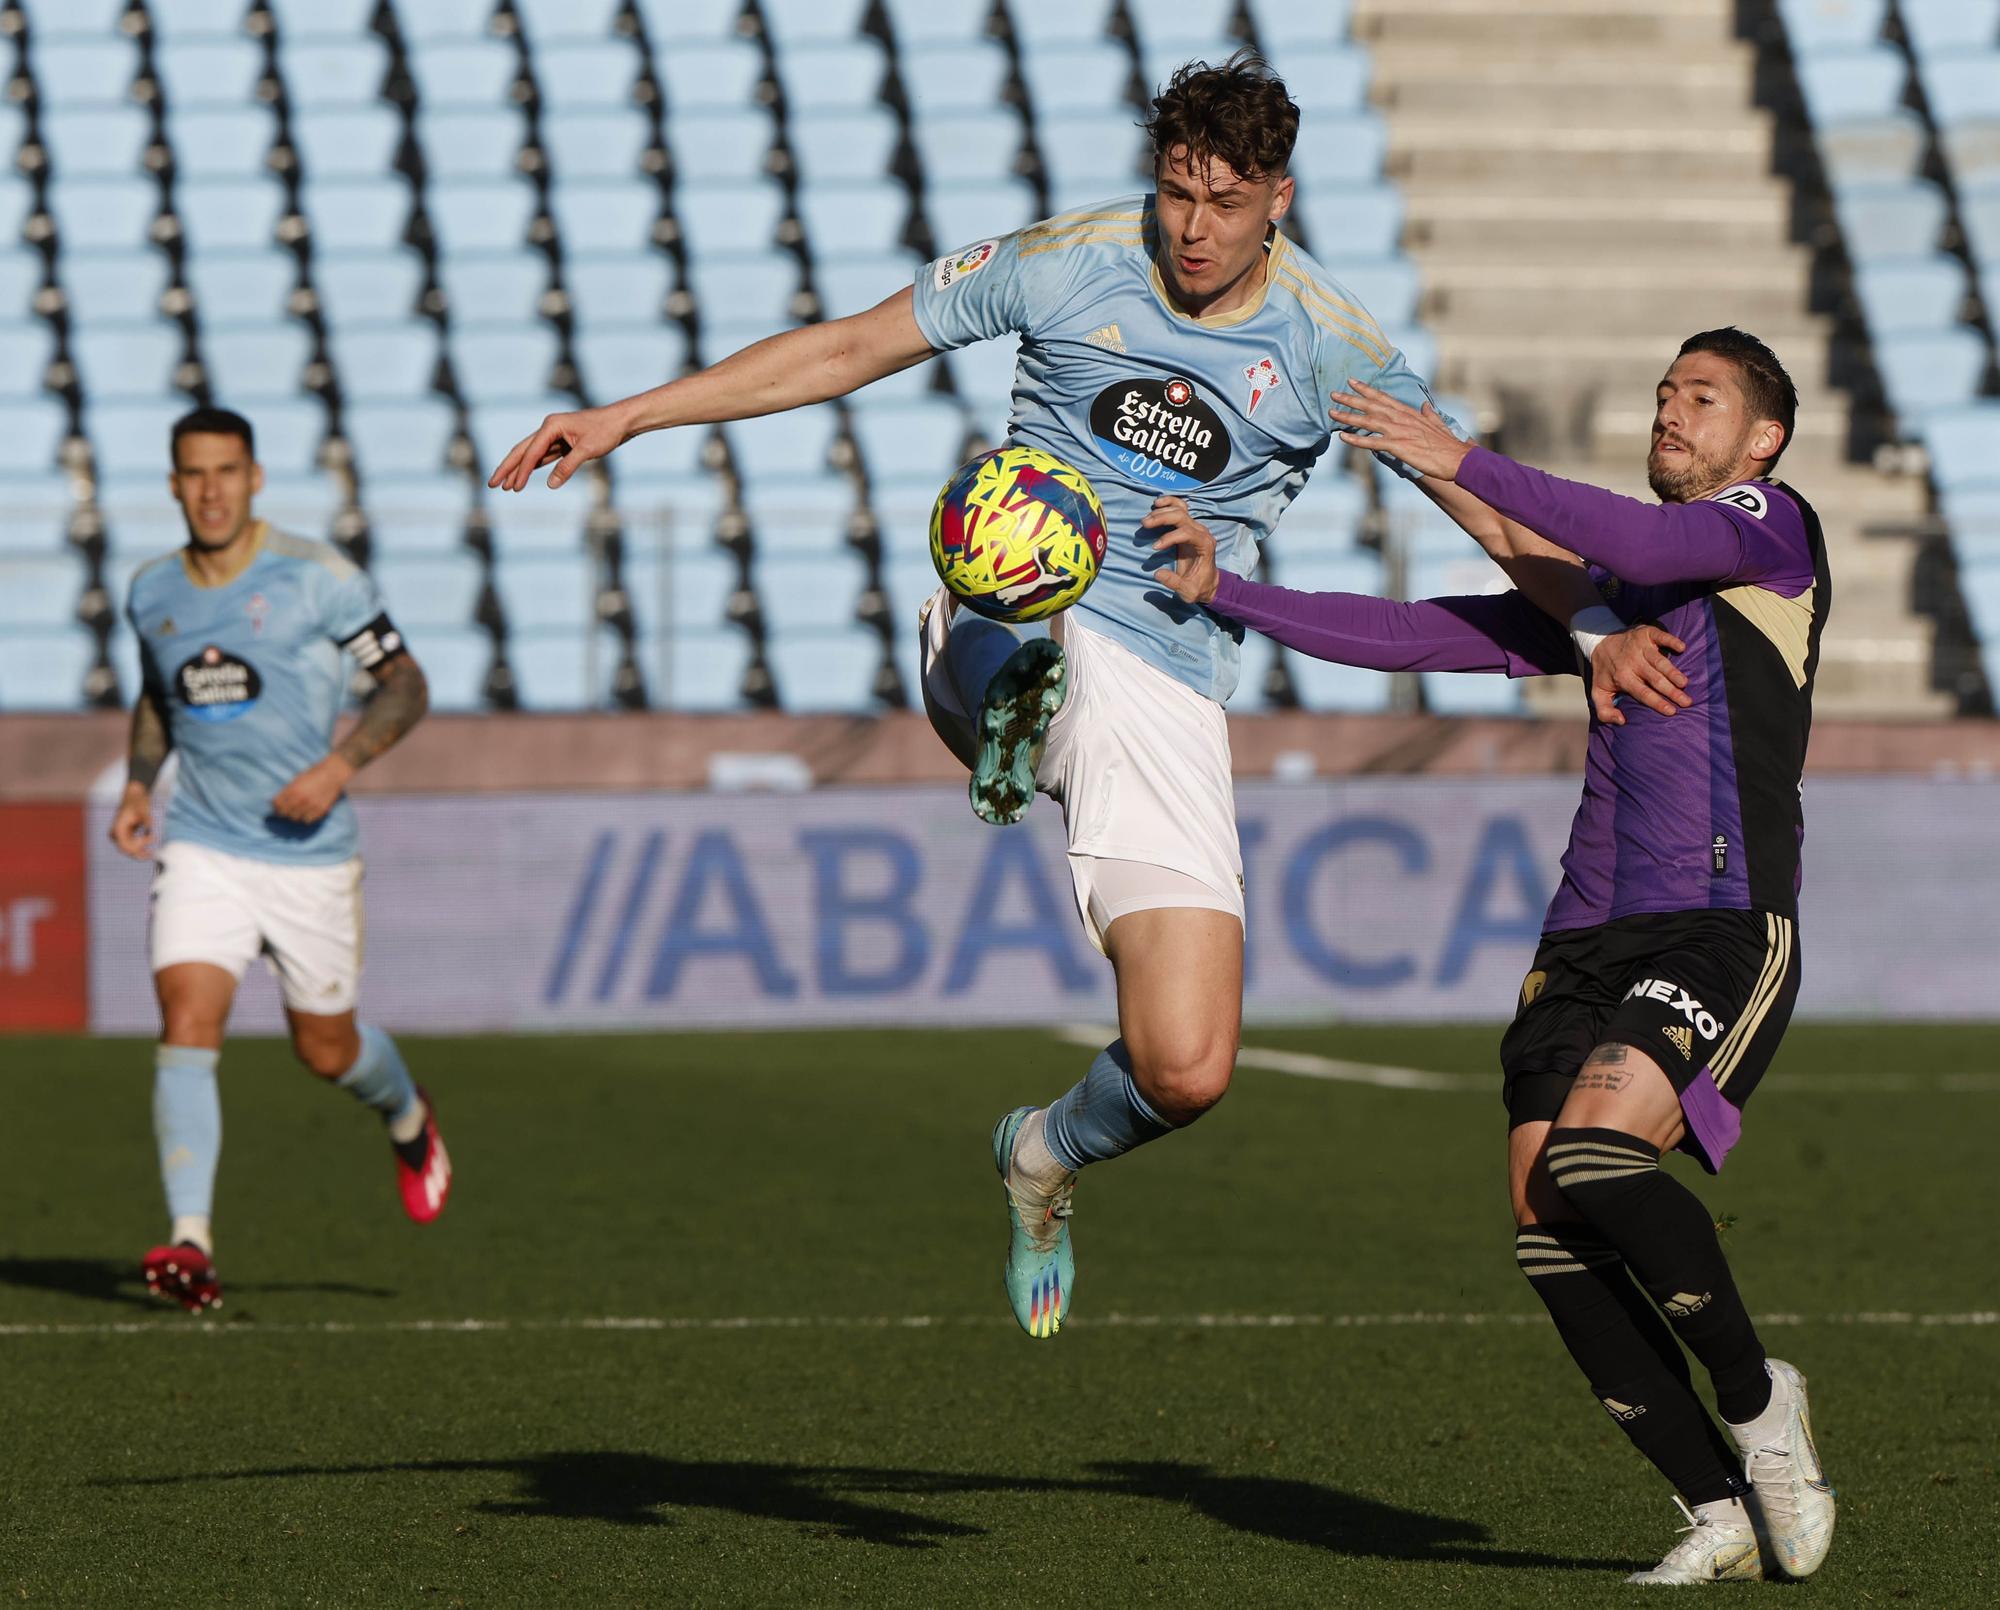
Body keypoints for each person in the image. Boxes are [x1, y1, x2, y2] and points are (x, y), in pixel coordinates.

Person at [487, 55, 1669, 1340]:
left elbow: (1476, 500)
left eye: (1222, 201)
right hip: (1013, 590)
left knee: (1187, 1064)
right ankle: (1008, 687)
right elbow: (846, 346)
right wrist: (631, 416)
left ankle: (1041, 1151)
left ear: (1278, 195)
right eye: (1173, 193)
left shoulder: (1331, 345)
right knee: (1017, 553)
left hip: (1162, 670)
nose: (1192, 227)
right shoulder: (1066, 257)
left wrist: (1596, 627)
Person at [1153, 328, 1836, 1585]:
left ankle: (1757, 1401)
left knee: (1593, 1156)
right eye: (1661, 392)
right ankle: (1715, 1507)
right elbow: (1408, 633)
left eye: (1701, 397)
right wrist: (1222, 593)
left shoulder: (1766, 530)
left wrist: (1452, 455)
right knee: (1541, 1220)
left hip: (1719, 917)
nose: (1670, 411)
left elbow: (1633, 540)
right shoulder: (1605, 611)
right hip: (1579, 933)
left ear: (1762, 439)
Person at [112, 407, 450, 1314]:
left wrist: (340, 766)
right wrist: (142, 785)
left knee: (326, 1048)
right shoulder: (151, 591)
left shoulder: (318, 579)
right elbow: (156, 695)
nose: (212, 490)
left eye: (228, 471)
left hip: (309, 857)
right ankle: (192, 1244)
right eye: (194, 474)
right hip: (205, 844)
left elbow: (408, 683)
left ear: (255, 477)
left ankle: (406, 1114)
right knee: (188, 1018)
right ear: (174, 484)